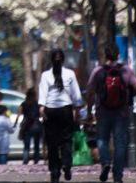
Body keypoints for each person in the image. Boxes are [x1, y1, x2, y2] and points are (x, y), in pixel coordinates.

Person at [85, 43, 136, 183]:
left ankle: (105, 163)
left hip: (102, 112)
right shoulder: (126, 70)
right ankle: (118, 176)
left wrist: (88, 111)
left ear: (105, 55)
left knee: (102, 140)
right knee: (120, 144)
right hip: (121, 113)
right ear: (118, 54)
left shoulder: (98, 71)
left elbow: (90, 92)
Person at [39, 49, 84, 183]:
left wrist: (42, 110)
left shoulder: (45, 75)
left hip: (50, 111)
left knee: (52, 143)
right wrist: (78, 110)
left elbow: (42, 96)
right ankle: (66, 164)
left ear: (51, 60)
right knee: (66, 140)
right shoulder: (70, 74)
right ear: (63, 60)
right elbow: (77, 96)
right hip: (65, 110)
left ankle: (54, 171)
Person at [14, 87, 43, 164]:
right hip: (36, 126)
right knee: (36, 146)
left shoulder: (23, 104)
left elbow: (18, 115)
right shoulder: (38, 104)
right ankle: (36, 161)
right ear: (34, 95)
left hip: (26, 126)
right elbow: (42, 114)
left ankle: (25, 161)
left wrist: (15, 124)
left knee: (26, 146)